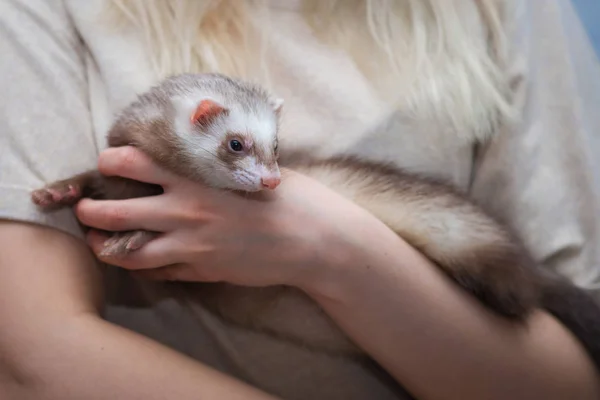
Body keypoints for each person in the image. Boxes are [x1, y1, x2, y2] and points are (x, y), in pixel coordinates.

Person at [1, 0, 599, 399]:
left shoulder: (503, 11)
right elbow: (30, 353)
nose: (268, 177)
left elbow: (571, 377)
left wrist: (327, 249)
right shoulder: (42, 15)